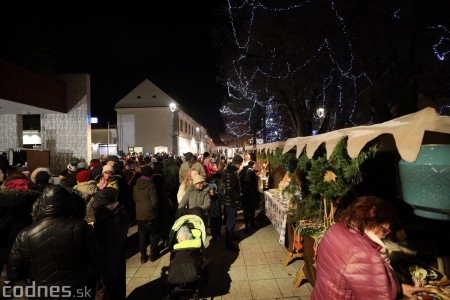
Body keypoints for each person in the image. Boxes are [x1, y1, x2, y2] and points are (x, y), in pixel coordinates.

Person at [311, 195, 435, 300]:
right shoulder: (365, 255)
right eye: (385, 231)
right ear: (372, 223)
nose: (384, 235)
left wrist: (398, 288)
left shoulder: (336, 229)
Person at [7, 185, 99, 299]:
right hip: (77, 290)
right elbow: (94, 260)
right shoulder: (80, 228)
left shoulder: (24, 235)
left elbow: (14, 272)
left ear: (39, 206)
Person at [91, 187, 129, 300]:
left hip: (109, 255)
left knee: (111, 285)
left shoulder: (112, 216)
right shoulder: (119, 211)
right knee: (118, 282)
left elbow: (103, 236)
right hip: (117, 253)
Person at [133, 166, 160, 263]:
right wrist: (155, 210)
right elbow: (154, 201)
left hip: (139, 213)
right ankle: (153, 255)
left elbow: (135, 199)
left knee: (142, 235)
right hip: (150, 213)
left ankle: (143, 256)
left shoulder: (136, 185)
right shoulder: (151, 185)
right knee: (153, 234)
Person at [220, 155, 243, 252]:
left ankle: (231, 237)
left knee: (231, 221)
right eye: (240, 164)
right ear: (238, 163)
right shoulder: (230, 172)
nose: (240, 166)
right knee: (230, 222)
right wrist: (237, 197)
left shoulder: (230, 170)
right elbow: (229, 189)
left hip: (229, 200)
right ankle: (229, 244)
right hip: (230, 201)